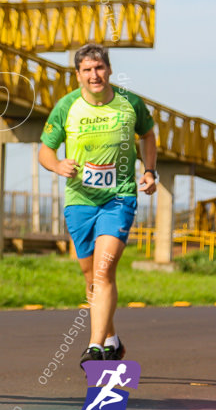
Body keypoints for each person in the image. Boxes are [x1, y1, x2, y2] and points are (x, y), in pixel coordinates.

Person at [38, 43, 156, 366]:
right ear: (78, 75)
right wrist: (58, 165)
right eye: (87, 70)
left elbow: (147, 135)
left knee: (104, 272)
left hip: (119, 198)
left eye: (99, 68)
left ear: (109, 69)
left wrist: (148, 171)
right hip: (80, 202)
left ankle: (95, 347)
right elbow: (44, 151)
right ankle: (113, 340)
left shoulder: (130, 103)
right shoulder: (66, 107)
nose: (94, 75)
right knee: (92, 278)